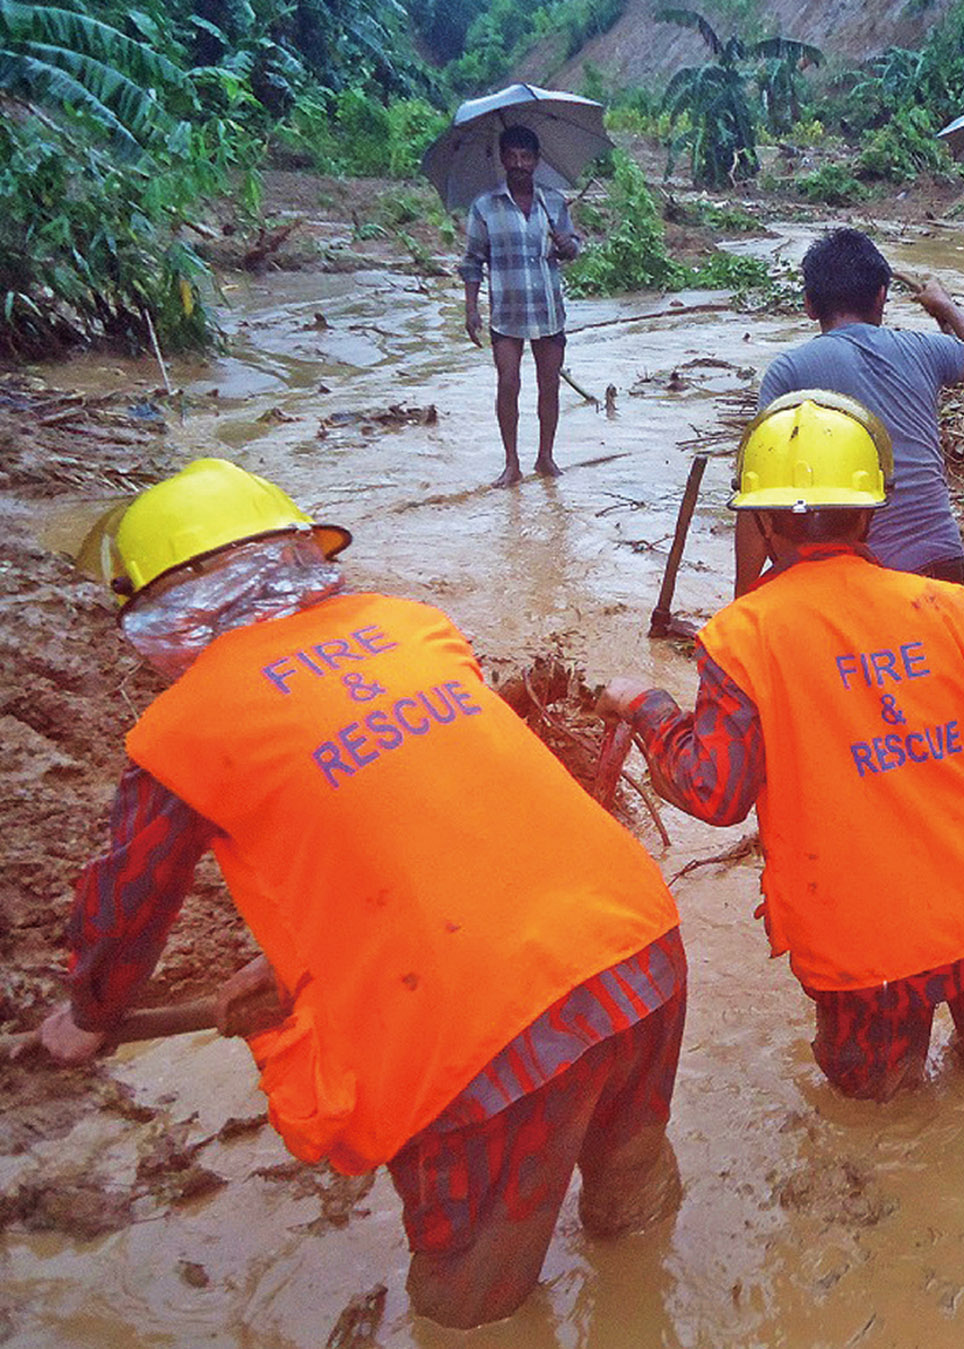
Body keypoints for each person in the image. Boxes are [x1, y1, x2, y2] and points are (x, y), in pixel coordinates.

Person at [29, 459, 686, 1329]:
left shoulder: (182, 730)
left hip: (490, 1035)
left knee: (469, 1303)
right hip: (640, 946)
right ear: (302, 557)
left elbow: (128, 905)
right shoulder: (411, 627)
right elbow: (413, 808)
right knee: (633, 1193)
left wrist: (89, 1011)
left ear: (160, 612)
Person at [602, 391, 964, 1102]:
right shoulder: (947, 608)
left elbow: (712, 792)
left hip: (862, 953)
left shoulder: (742, 637)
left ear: (760, 520)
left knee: (877, 1104)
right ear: (872, 509)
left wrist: (647, 706)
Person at [742, 227, 964, 595]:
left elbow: (759, 501)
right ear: (882, 296)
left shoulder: (790, 371)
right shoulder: (924, 348)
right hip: (942, 562)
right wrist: (945, 304)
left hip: (861, 574)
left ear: (809, 305)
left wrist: (743, 600)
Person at [459, 124, 584, 489]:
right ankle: (511, 463)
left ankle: (545, 457)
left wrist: (566, 244)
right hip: (506, 312)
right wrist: (471, 309)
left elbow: (574, 248)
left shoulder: (553, 201)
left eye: (525, 157)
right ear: (502, 159)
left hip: (548, 309)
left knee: (549, 386)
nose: (519, 163)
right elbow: (472, 260)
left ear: (536, 160)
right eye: (512, 156)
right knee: (508, 383)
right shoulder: (485, 206)